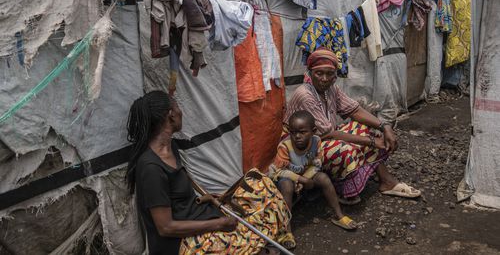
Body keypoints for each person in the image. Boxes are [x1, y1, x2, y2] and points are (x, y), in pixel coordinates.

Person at [126, 91, 290, 255]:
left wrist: (206, 197)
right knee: (248, 242)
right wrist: (219, 224)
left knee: (263, 188)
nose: (180, 111)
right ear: (171, 116)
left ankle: (264, 246)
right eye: (177, 106)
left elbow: (178, 194)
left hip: (199, 217)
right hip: (180, 243)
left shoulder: (170, 147)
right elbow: (165, 227)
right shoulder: (150, 168)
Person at [283, 48, 421, 204]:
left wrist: (385, 127)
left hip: (320, 141)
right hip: (299, 151)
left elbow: (354, 110)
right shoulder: (305, 95)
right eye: (319, 73)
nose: (324, 78)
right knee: (347, 150)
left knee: (364, 129)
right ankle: (344, 190)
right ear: (310, 73)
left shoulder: (331, 90)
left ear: (335, 76)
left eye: (329, 74)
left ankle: (386, 181)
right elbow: (329, 134)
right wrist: (372, 142)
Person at [268, 110, 357, 249]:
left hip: (306, 175)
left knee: (323, 178)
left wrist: (306, 178)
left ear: (313, 131)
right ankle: (286, 231)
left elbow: (317, 163)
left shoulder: (316, 141)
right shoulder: (285, 147)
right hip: (285, 178)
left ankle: (339, 216)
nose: (297, 136)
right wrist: (301, 180)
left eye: (302, 132)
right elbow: (279, 172)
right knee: (287, 186)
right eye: (293, 132)